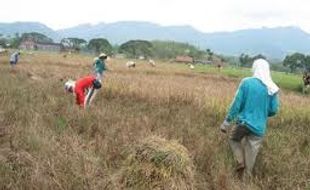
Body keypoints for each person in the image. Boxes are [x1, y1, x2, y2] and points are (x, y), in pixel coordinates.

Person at [220, 58, 280, 180]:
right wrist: (261, 113)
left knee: (233, 139)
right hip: (259, 128)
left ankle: (240, 161)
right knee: (251, 154)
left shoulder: (246, 82)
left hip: (243, 123)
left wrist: (226, 122)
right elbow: (274, 110)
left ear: (255, 68)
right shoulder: (272, 87)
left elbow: (236, 104)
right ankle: (245, 181)